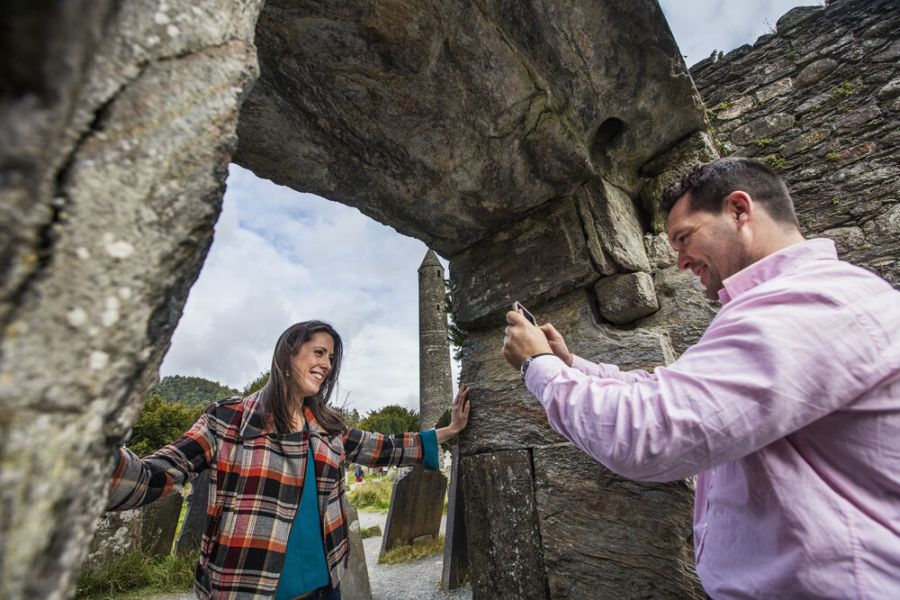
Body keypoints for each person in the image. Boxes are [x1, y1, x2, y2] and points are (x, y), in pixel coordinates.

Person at [502, 157, 900, 598]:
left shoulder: (809, 303)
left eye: (683, 238)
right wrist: (573, 366)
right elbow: (676, 389)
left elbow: (651, 432)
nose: (679, 263)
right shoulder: (797, 303)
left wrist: (536, 367)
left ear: (739, 210)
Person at [107, 320, 470, 600]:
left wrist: (448, 430)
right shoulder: (228, 419)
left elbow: (384, 447)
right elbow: (156, 474)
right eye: (317, 352)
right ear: (287, 355)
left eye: (330, 356)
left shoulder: (328, 427)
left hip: (326, 587)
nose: (326, 363)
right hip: (245, 589)